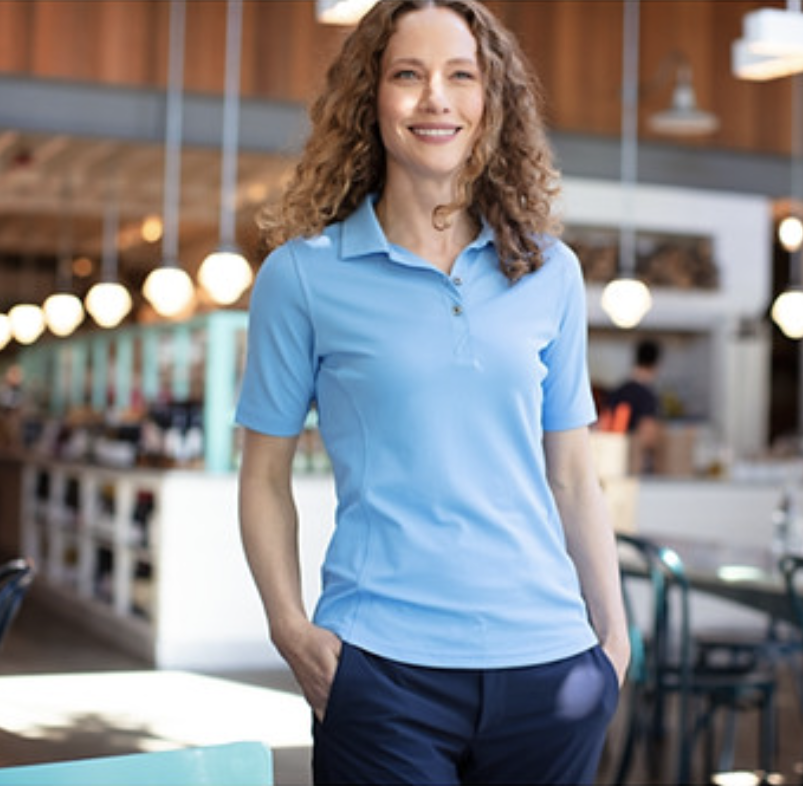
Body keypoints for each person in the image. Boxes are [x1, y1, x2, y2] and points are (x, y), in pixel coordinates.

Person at [235, 1, 629, 783]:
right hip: (381, 670)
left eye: (461, 76)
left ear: (492, 103)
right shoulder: (304, 277)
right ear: (369, 100)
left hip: (550, 667)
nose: (435, 100)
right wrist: (289, 628)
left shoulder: (549, 272)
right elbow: (264, 477)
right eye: (407, 75)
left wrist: (614, 647)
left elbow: (574, 476)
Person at [608, 339, 664, 474]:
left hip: (611, 459)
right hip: (635, 464)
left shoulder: (619, 390)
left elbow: (606, 424)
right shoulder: (647, 395)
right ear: (656, 364)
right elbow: (647, 435)